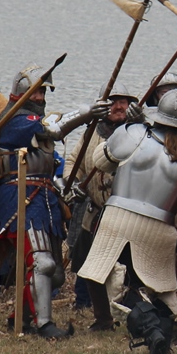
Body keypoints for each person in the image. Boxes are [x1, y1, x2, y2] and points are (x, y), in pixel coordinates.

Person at [77, 89, 177, 354]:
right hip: (160, 228)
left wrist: (127, 133)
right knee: (157, 290)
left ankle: (152, 329)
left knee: (123, 288)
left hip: (118, 220)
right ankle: (159, 340)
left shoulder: (134, 134)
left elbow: (100, 161)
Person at [0, 64, 109, 338]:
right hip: (19, 197)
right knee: (42, 264)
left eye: (43, 92)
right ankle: (43, 324)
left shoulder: (34, 123)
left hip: (44, 199)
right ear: (21, 93)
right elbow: (53, 129)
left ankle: (20, 317)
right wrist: (87, 113)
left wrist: (65, 187)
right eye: (36, 92)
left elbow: (48, 165)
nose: (40, 97)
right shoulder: (12, 120)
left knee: (55, 273)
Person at [62, 82, 136, 317]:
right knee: (86, 261)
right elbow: (74, 162)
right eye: (113, 102)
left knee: (127, 264)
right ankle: (84, 304)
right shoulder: (92, 131)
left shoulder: (137, 133)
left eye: (123, 102)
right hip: (94, 210)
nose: (118, 106)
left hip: (126, 214)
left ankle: (127, 306)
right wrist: (73, 183)